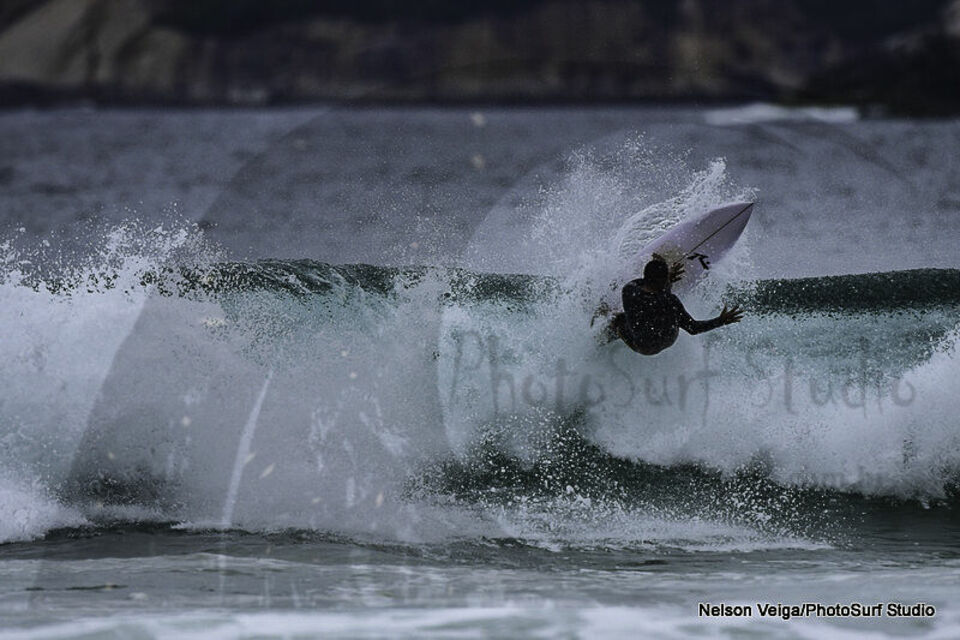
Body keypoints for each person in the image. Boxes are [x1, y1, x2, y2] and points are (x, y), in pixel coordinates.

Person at [603, 255, 743, 355]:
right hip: (668, 339)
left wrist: (666, 279)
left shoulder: (629, 291)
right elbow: (693, 328)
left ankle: (602, 339)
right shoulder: (671, 301)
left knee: (617, 318)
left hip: (643, 346)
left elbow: (646, 287)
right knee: (659, 308)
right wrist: (721, 321)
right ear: (663, 282)